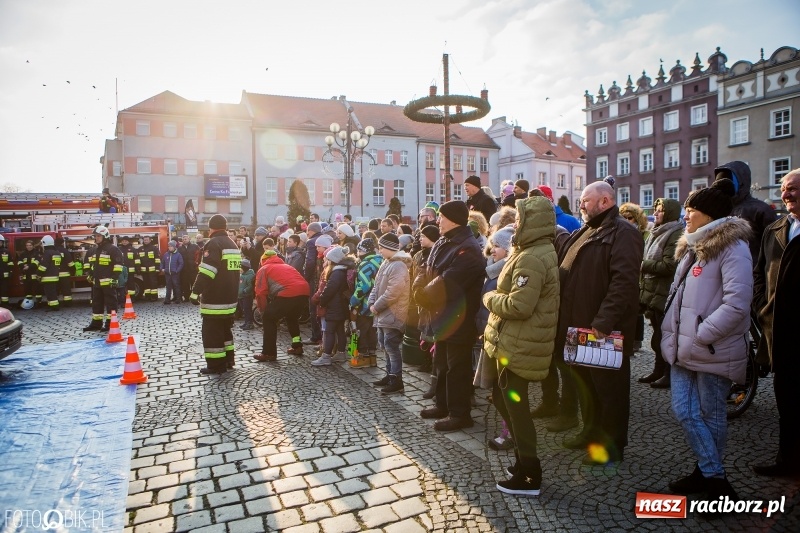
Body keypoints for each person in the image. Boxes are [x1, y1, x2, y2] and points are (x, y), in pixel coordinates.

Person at [661, 178, 751, 502]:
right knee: (684, 410)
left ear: (709, 215)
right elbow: (677, 294)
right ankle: (713, 475)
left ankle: (710, 478)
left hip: (711, 347)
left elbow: (737, 303)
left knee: (711, 415)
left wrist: (702, 334)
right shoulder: (692, 245)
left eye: (691, 209)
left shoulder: (733, 247)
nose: (685, 214)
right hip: (684, 346)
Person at [556, 180, 643, 465]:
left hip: (603, 329)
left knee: (610, 391)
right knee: (587, 387)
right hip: (578, 326)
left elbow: (624, 282)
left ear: (605, 201)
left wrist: (604, 320)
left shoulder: (624, 233)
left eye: (585, 200)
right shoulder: (586, 230)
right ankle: (591, 432)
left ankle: (612, 445)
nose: (580, 204)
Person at [483, 196, 560, 496]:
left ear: (532, 222)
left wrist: (490, 298)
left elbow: (519, 305)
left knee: (517, 409)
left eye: (519, 219)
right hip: (516, 341)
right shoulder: (531, 250)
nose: (515, 225)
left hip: (519, 344)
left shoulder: (532, 256)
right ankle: (522, 462)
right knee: (504, 401)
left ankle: (530, 475)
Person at [413, 200, 486, 432]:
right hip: (441, 315)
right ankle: (442, 404)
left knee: (457, 368)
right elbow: (427, 268)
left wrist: (424, 294)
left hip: (459, 317)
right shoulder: (444, 240)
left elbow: (449, 280)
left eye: (441, 217)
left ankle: (460, 414)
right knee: (441, 363)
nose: (438, 221)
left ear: (453, 220)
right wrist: (418, 288)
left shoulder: (468, 247)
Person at [751, 168, 800, 477]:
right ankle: (788, 461)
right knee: (787, 400)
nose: (786, 193)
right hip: (778, 330)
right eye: (784, 188)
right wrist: (761, 305)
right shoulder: (776, 229)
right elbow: (759, 271)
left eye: (793, 188)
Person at [475, 226, 514, 450]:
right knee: (498, 391)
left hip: (502, 338)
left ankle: (510, 434)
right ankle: (509, 431)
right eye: (492, 245)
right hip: (490, 335)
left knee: (505, 391)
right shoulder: (493, 269)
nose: (492, 250)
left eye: (497, 246)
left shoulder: (506, 271)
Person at [638, 198, 683, 388]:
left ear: (670, 213)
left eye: (660, 210)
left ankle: (668, 373)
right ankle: (658, 370)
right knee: (657, 333)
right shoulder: (657, 232)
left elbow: (669, 265)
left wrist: (642, 264)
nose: (655, 213)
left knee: (664, 336)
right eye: (655, 209)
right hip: (654, 290)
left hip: (664, 291)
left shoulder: (675, 233)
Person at [189, 214, 240, 375]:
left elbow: (207, 272)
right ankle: (228, 360)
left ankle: (216, 365)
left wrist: (195, 291)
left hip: (215, 299)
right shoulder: (232, 244)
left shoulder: (213, 243)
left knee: (211, 332)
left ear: (211, 228)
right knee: (225, 330)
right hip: (230, 297)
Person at [368, 233, 411, 394]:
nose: (379, 250)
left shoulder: (398, 265)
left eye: (381, 247)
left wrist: (377, 306)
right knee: (384, 345)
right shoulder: (386, 262)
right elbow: (376, 286)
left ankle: (396, 380)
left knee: (391, 347)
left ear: (390, 248)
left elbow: (394, 292)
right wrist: (371, 302)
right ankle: (389, 374)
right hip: (383, 313)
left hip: (393, 313)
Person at [714, 161, 778, 261]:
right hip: (724, 267)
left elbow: (775, 247)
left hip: (753, 267)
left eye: (727, 182)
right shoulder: (717, 210)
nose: (724, 187)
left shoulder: (760, 209)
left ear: (741, 182)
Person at [252, 250, 310, 361]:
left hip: (288, 293)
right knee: (292, 318)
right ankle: (297, 346)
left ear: (262, 260)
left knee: (268, 319)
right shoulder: (287, 266)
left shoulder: (264, 269)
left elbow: (260, 293)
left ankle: (269, 353)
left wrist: (263, 311)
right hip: (304, 292)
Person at [311, 246, 356, 366]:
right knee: (340, 330)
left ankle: (326, 356)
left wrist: (322, 301)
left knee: (329, 331)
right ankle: (341, 354)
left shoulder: (336, 273)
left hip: (335, 306)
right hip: (342, 305)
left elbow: (329, 290)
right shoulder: (343, 271)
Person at [619, 203, 650, 353]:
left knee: (637, 311)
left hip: (640, 277)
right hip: (627, 275)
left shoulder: (645, 235)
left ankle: (636, 340)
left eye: (630, 218)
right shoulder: (621, 233)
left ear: (637, 219)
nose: (626, 220)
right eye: (624, 217)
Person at [82, 226, 124, 331]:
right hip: (96, 282)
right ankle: (96, 324)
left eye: (98, 236)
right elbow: (89, 264)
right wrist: (90, 274)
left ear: (105, 236)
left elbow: (118, 265)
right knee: (96, 303)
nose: (96, 238)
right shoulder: (93, 250)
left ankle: (111, 324)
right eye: (95, 236)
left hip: (108, 282)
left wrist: (114, 278)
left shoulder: (113, 249)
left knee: (111, 304)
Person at [349, 238, 383, 368]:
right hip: (377, 302)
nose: (358, 253)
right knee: (372, 331)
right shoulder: (380, 261)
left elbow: (364, 285)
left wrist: (354, 301)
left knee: (361, 330)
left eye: (359, 250)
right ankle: (372, 358)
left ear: (363, 251)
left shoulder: (365, 264)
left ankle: (362, 357)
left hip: (365, 303)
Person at [304, 222, 324, 345]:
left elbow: (309, 261)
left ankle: (316, 336)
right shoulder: (325, 238)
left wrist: (306, 277)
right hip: (324, 278)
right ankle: (323, 337)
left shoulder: (311, 242)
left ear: (311, 231)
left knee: (313, 307)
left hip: (314, 279)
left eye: (307, 231)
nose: (307, 234)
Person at [37, 235, 63, 311]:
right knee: (53, 292)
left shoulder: (47, 253)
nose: (41, 246)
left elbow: (43, 266)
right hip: (55, 276)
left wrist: (38, 274)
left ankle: (54, 307)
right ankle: (53, 305)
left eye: (42, 244)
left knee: (50, 293)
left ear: (45, 243)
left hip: (47, 277)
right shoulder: (57, 252)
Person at [17, 239, 43, 307]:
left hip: (35, 274)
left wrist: (29, 266)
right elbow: (19, 261)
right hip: (26, 275)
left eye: (30, 245)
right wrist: (23, 265)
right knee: (27, 290)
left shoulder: (36, 253)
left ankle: (39, 303)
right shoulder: (23, 254)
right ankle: (29, 303)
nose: (28, 247)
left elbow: (37, 262)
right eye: (27, 245)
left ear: (33, 246)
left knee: (37, 289)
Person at [138, 234, 160, 301]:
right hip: (144, 270)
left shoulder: (154, 248)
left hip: (152, 270)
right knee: (146, 283)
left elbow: (157, 259)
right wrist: (138, 268)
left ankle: (154, 296)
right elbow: (138, 260)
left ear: (150, 240)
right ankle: (147, 296)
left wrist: (157, 268)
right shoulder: (140, 249)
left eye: (147, 240)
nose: (146, 241)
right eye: (144, 240)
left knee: (153, 283)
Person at [178, 234, 200, 302]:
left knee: (194, 283)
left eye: (186, 239)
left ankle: (195, 297)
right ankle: (186, 297)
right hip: (184, 270)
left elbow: (199, 255)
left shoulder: (195, 246)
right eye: (183, 239)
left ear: (189, 239)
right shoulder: (179, 248)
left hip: (193, 269)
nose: (184, 240)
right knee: (185, 284)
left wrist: (196, 264)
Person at [53, 236, 74, 307]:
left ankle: (55, 304)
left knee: (55, 290)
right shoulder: (65, 251)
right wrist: (73, 271)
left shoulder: (52, 251)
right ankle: (68, 303)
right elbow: (70, 263)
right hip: (64, 274)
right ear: (62, 243)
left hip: (54, 275)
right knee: (66, 290)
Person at [161, 240, 184, 304]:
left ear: (174, 247)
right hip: (167, 273)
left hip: (175, 274)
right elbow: (162, 262)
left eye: (171, 246)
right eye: (169, 246)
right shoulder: (166, 254)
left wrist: (177, 270)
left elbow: (181, 263)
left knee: (176, 286)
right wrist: (162, 269)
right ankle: (167, 299)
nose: (169, 247)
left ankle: (178, 299)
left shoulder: (178, 255)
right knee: (168, 287)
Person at [118, 235, 140, 300]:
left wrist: (138, 268)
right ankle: (122, 298)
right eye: (123, 241)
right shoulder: (118, 249)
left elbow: (137, 260)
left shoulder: (133, 249)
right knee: (122, 285)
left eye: (126, 241)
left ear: (128, 241)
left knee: (131, 284)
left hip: (130, 271)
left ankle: (132, 298)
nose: (124, 242)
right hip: (121, 271)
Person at [0, 235, 11, 307]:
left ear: (2, 242)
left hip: (4, 276)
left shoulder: (6, 251)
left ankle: (5, 305)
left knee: (4, 291)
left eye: (0, 242)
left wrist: (10, 272)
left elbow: (10, 263)